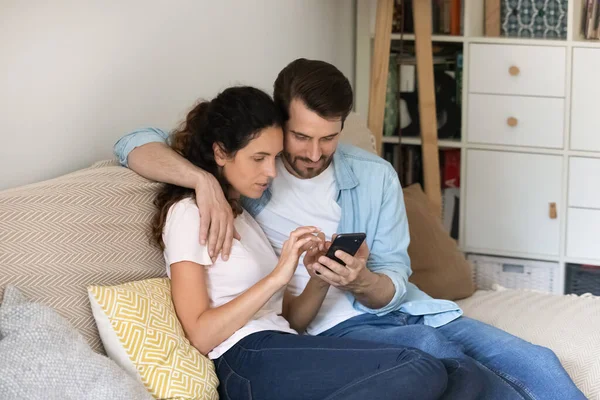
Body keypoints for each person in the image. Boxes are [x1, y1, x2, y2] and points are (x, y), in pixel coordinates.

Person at [114, 59, 585, 400]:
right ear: (280, 126)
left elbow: (393, 275)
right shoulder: (249, 179)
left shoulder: (371, 175)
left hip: (405, 310)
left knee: (534, 362)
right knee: (439, 359)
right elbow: (131, 143)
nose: (315, 153)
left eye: (330, 137)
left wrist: (357, 278)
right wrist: (202, 182)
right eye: (300, 137)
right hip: (332, 333)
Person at [150, 85, 450, 400]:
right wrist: (278, 276)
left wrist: (320, 278)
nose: (271, 172)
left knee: (455, 371)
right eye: (259, 158)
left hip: (284, 343)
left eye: (275, 158)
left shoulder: (243, 216)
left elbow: (290, 319)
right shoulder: (188, 214)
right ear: (220, 152)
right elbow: (199, 335)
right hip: (243, 356)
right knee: (420, 367)